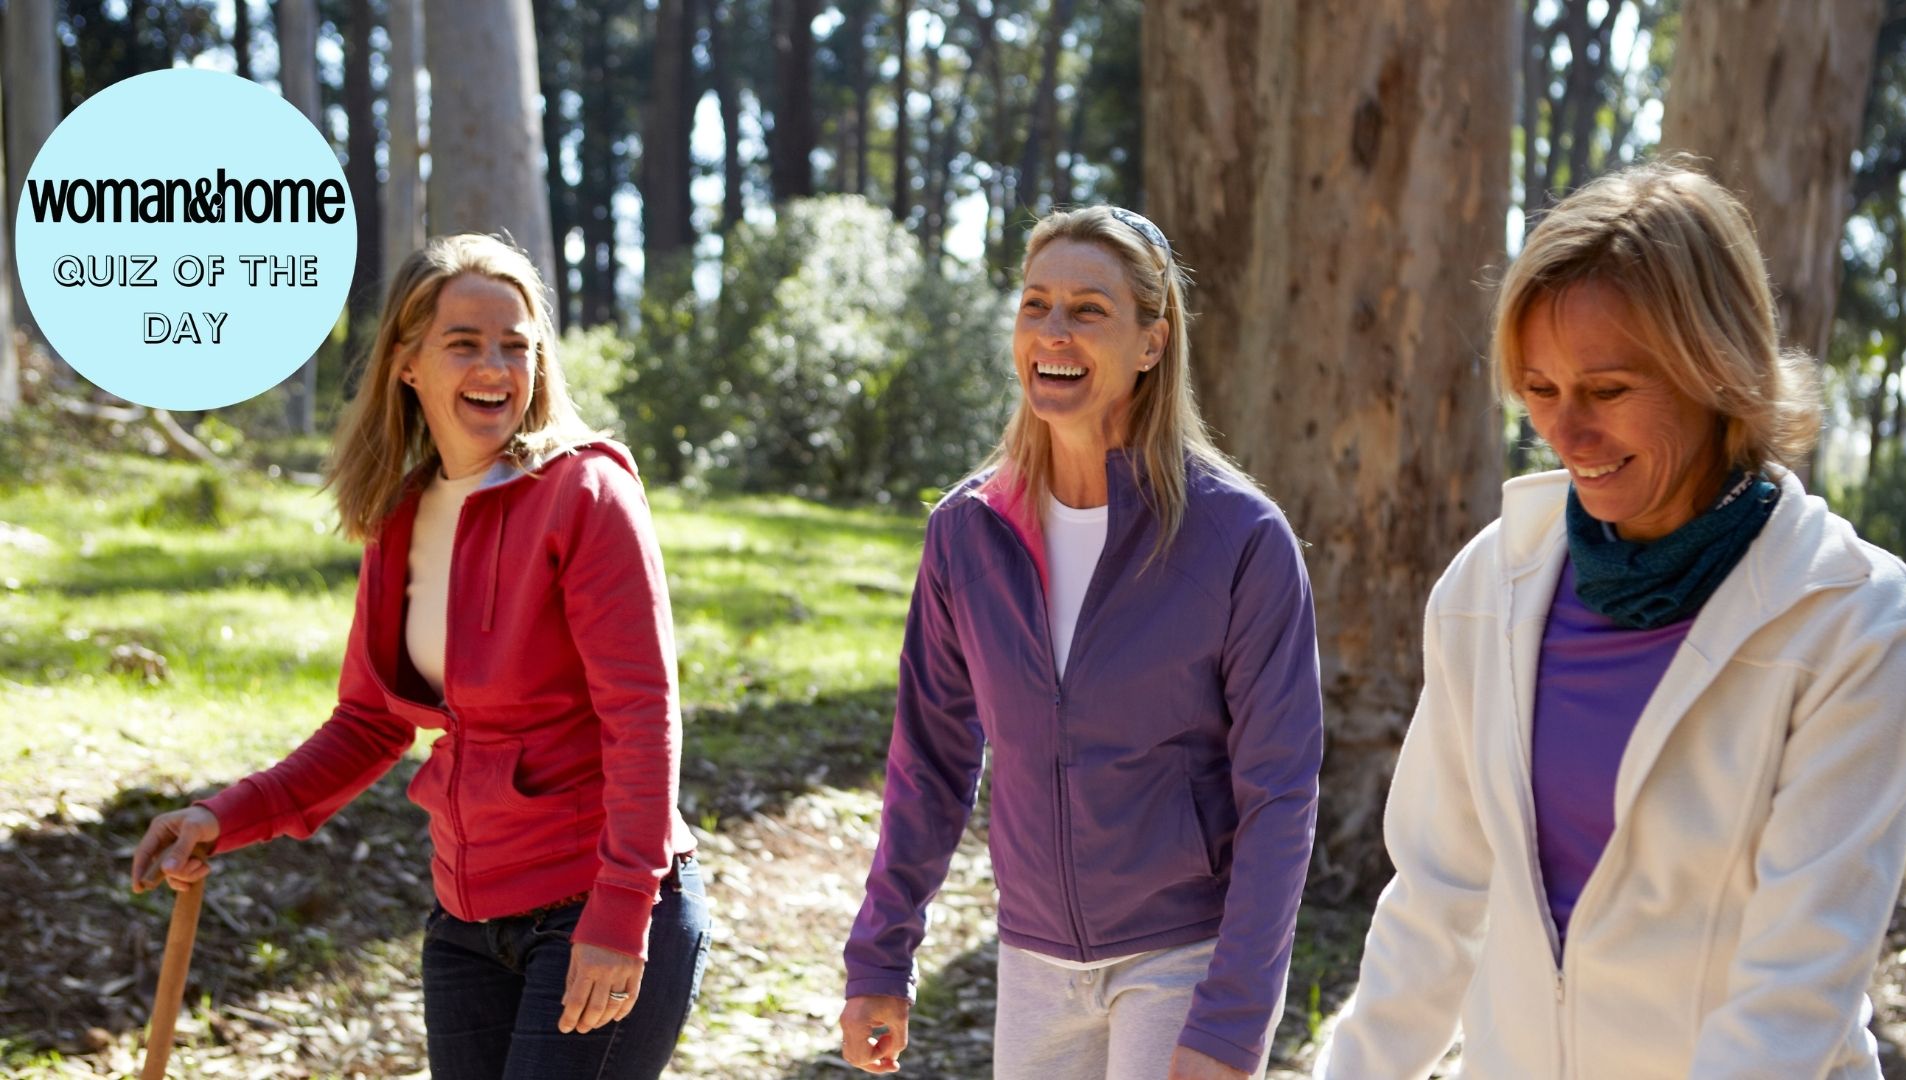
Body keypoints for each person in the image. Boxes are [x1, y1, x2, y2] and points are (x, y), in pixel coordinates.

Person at [1314, 162, 1906, 1078]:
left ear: (1718, 372)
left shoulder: (1851, 618)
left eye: (1606, 390)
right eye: (1539, 389)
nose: (1565, 433)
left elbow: (1793, 992)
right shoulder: (1488, 586)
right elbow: (1435, 904)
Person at [130, 233, 710, 1079]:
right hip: (465, 921)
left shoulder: (585, 493)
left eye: (515, 345)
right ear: (408, 364)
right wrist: (225, 817)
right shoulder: (400, 515)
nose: (495, 368)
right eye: (464, 343)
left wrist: (623, 913)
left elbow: (642, 716)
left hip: (595, 903)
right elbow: (369, 723)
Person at [838, 205, 1323, 1080]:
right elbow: (931, 761)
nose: (1053, 331)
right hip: (1033, 960)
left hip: (1185, 955)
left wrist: (1232, 1019)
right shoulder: (968, 531)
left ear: (1151, 343)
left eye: (1089, 310)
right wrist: (881, 955)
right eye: (1036, 305)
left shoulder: (1240, 539)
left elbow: (1279, 794)